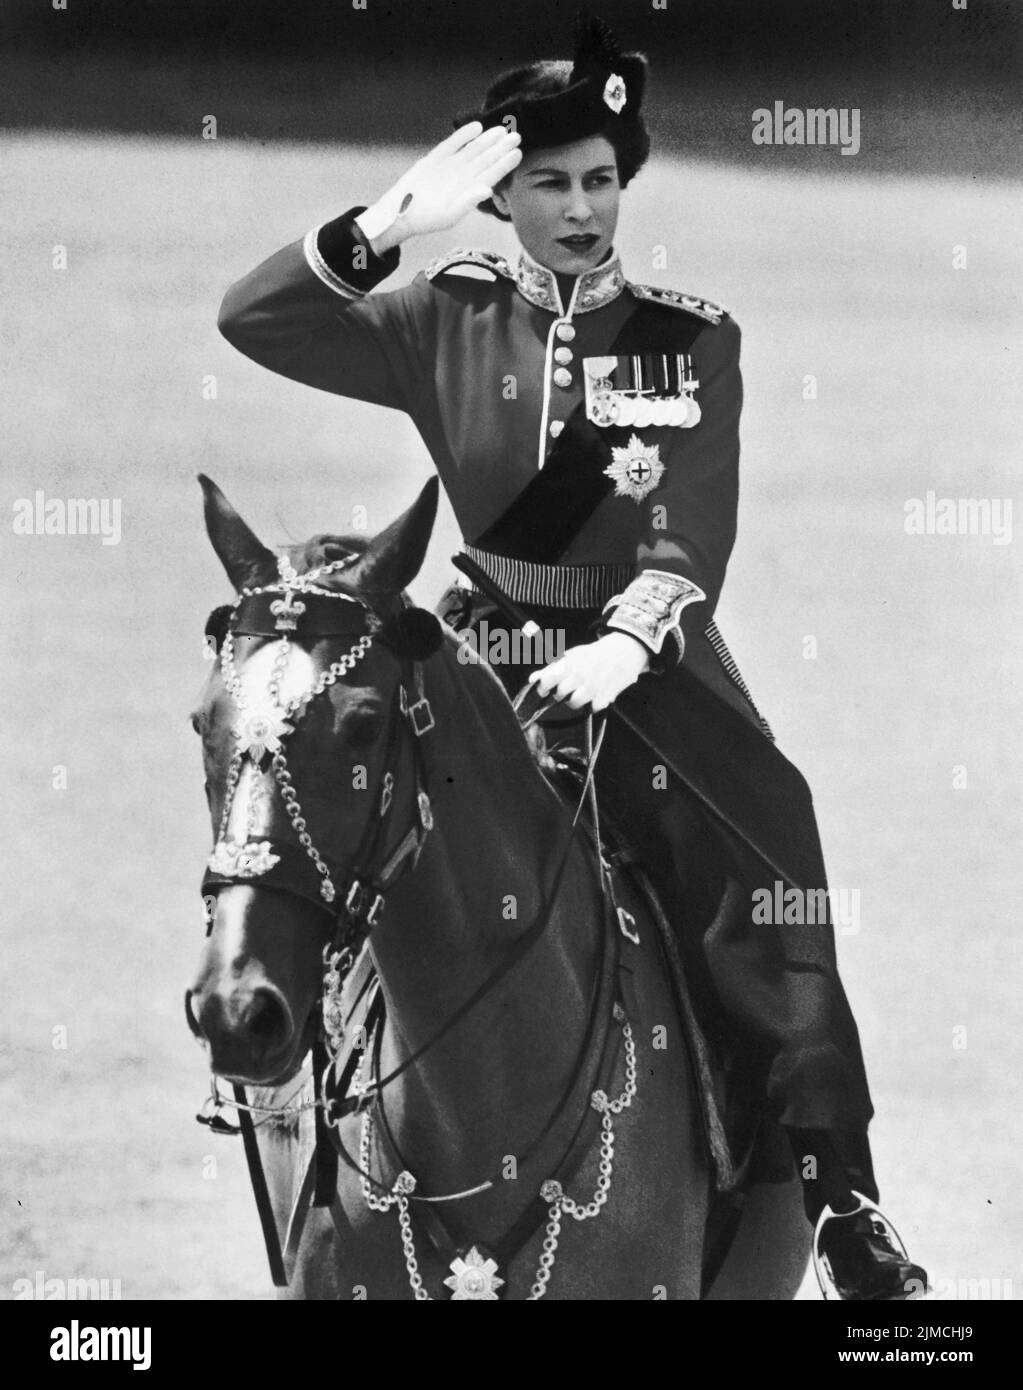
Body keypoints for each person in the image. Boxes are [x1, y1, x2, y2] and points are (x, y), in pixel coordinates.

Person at [216, 14, 925, 1300]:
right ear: (501, 195)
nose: (583, 208)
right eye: (549, 181)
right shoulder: (441, 315)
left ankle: (840, 1198)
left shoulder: (689, 341)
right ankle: (283, 1109)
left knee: (771, 846)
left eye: (601, 179)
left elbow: (689, 525)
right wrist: (381, 226)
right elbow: (253, 321)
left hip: (642, 664)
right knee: (324, 794)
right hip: (475, 646)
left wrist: (625, 640)